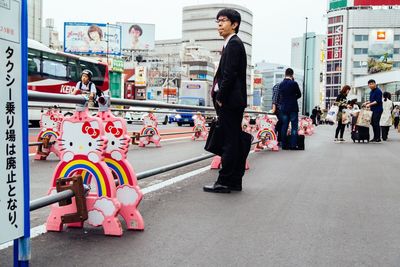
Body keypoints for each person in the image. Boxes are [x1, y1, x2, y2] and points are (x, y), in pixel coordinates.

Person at [203, 8, 247, 193]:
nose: (219, 24)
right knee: (233, 140)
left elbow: (229, 74)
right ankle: (234, 181)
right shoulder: (231, 44)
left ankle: (224, 181)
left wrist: (220, 97)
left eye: (223, 20)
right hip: (232, 101)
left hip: (229, 101)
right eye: (218, 21)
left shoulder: (234, 44)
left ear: (234, 24)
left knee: (229, 141)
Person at [277, 68, 302, 150]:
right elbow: (299, 94)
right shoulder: (294, 83)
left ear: (285, 74)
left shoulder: (281, 84)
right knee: (294, 127)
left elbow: (280, 97)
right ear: (292, 74)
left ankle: (284, 145)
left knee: (284, 126)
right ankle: (293, 145)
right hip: (293, 108)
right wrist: (293, 98)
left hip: (284, 108)